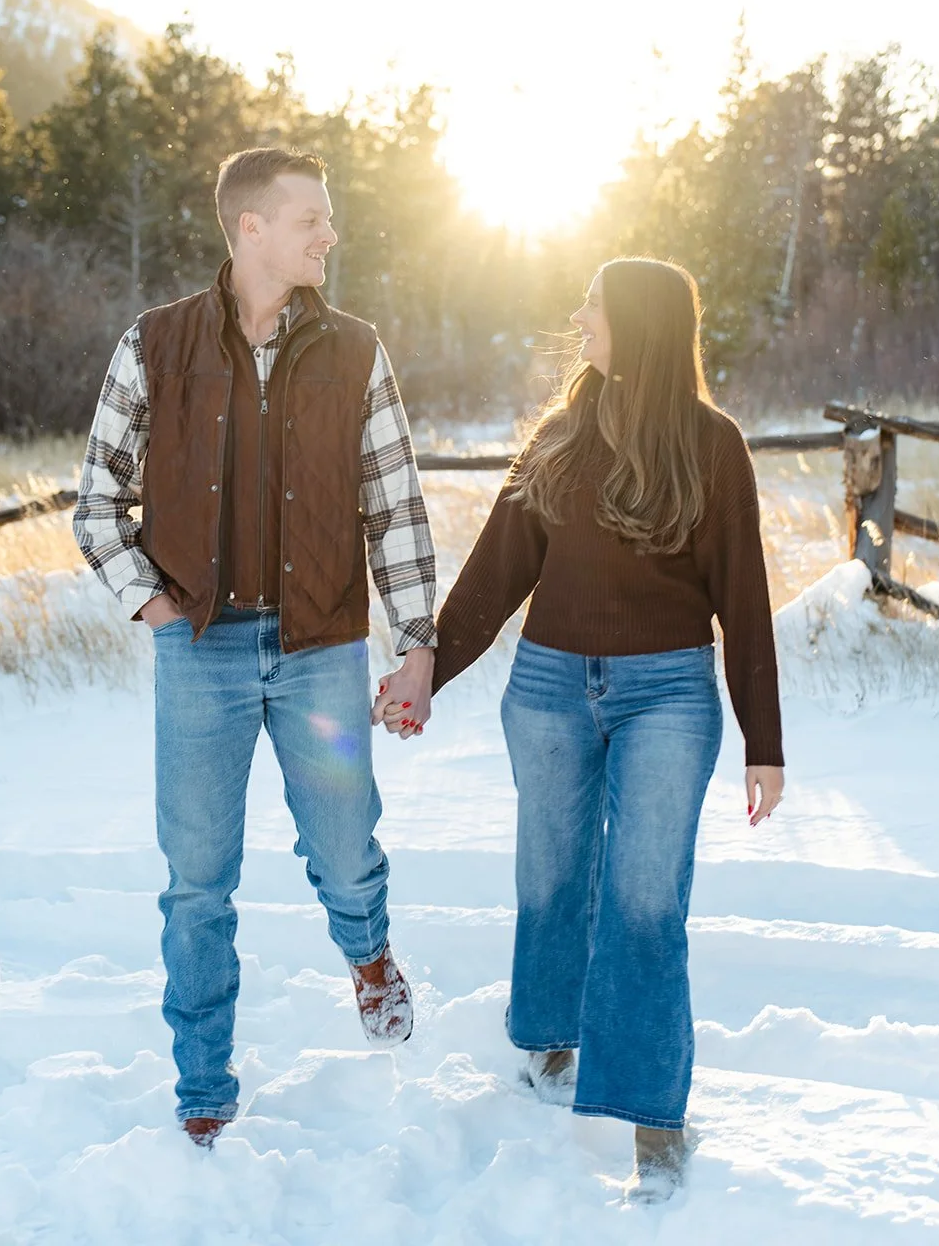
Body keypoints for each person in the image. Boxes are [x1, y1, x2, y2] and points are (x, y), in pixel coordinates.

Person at [376, 256, 784, 1202]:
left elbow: (745, 604)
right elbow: (496, 569)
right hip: (550, 687)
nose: (577, 317)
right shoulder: (561, 434)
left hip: (668, 697)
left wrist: (762, 741)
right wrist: (428, 664)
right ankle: (550, 1049)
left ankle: (653, 1119)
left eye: (593, 306)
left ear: (637, 322)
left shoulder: (711, 445)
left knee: (645, 905)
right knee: (551, 879)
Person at [74, 146, 436, 1148]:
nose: (329, 233)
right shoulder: (153, 345)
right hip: (199, 649)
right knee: (197, 876)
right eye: (311, 216)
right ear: (250, 229)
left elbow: (394, 505)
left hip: (321, 647)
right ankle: (203, 1084)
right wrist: (151, 605)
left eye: (328, 217)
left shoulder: (357, 350)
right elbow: (97, 501)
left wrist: (416, 645)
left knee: (344, 845)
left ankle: (368, 959)